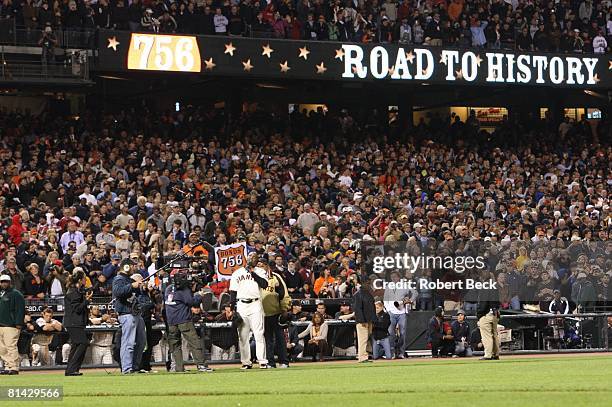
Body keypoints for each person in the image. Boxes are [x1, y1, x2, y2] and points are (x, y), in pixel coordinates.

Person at [163, 270, 213, 373]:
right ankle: (201, 365)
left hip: (171, 321)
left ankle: (179, 368)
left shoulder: (168, 288)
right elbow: (192, 302)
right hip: (183, 320)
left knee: (175, 345)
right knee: (194, 342)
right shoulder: (183, 290)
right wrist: (199, 295)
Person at [229, 252, 269, 369]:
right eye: (251, 257)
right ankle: (246, 362)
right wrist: (232, 308)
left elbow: (264, 284)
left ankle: (262, 361)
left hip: (255, 304)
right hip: (241, 305)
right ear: (246, 259)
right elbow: (233, 292)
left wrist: (253, 273)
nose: (253, 258)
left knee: (259, 334)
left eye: (255, 257)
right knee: (243, 335)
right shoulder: (238, 272)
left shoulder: (260, 271)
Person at [112, 258, 146, 374]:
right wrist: (132, 285)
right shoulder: (119, 279)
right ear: (126, 267)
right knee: (129, 343)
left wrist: (144, 289)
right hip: (127, 314)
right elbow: (118, 292)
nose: (134, 268)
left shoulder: (128, 279)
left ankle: (135, 367)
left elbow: (135, 293)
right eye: (132, 266)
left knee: (141, 342)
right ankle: (127, 369)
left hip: (136, 313)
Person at [261, 260, 290, 368]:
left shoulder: (275, 277)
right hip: (262, 314)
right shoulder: (254, 278)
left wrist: (285, 308)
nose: (260, 267)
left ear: (267, 266)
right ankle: (270, 362)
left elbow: (283, 293)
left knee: (280, 338)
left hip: (276, 312)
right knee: (267, 339)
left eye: (262, 265)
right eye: (258, 266)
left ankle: (284, 361)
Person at [63, 269, 92, 375]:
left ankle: (71, 370)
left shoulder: (76, 291)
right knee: (83, 343)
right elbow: (78, 309)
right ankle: (72, 369)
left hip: (75, 322)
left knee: (76, 345)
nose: (86, 280)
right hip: (74, 322)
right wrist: (86, 301)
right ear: (80, 280)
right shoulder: (73, 292)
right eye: (84, 278)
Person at [383, 271, 416, 358]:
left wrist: (410, 300)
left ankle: (401, 353)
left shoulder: (404, 285)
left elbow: (415, 293)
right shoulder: (388, 286)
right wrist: (388, 310)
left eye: (395, 276)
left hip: (402, 313)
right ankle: (392, 352)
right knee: (391, 333)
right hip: (391, 313)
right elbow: (385, 299)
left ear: (399, 277)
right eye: (392, 277)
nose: (393, 278)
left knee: (402, 333)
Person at [0, 274, 25, 375]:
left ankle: (14, 367)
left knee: (11, 346)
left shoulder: (16, 294)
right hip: (1, 324)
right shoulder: (1, 293)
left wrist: (18, 322)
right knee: (2, 348)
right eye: (2, 282)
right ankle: (7, 366)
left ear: (10, 282)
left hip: (11, 325)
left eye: (6, 281)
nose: (4, 283)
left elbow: (20, 309)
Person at [477, 273, 501, 360]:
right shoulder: (495, 287)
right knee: (494, 334)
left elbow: (483, 303)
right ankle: (496, 353)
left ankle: (488, 355)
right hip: (494, 313)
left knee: (486, 335)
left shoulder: (485, 287)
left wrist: (479, 315)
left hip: (486, 314)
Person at [353, 278, 376, 363]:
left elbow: (372, 308)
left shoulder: (368, 293)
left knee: (366, 339)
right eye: (367, 283)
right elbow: (357, 309)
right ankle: (362, 357)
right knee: (363, 339)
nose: (368, 284)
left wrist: (373, 320)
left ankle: (365, 356)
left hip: (369, 320)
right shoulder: (358, 294)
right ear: (362, 283)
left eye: (369, 283)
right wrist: (361, 320)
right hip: (362, 321)